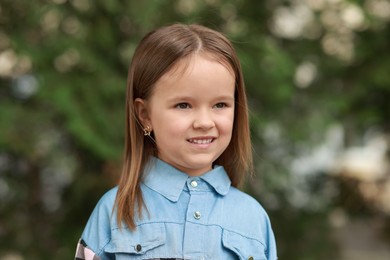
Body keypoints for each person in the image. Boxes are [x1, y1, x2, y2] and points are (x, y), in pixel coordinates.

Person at [75, 23, 277, 260]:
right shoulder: (114, 211)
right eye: (183, 105)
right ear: (145, 115)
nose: (204, 122)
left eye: (220, 104)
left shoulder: (253, 218)